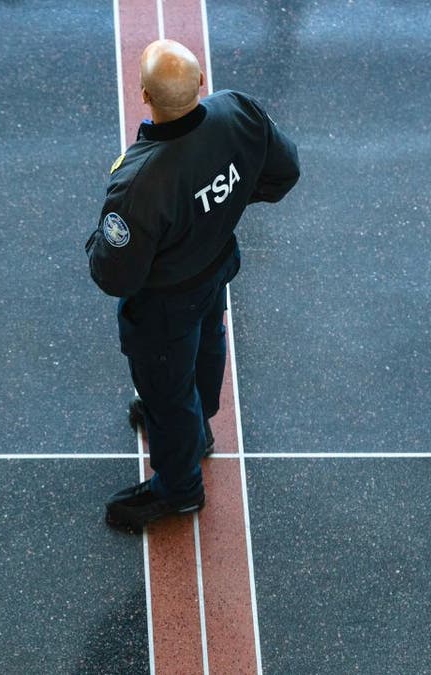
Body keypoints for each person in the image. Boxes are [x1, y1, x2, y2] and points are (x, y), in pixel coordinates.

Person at [87, 40, 300, 529]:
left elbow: (115, 274)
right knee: (208, 343)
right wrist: (222, 212)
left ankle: (180, 488)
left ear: (145, 96)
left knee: (165, 390)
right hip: (216, 267)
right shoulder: (238, 112)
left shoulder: (140, 181)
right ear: (202, 81)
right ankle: (198, 427)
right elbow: (284, 171)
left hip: (165, 303)